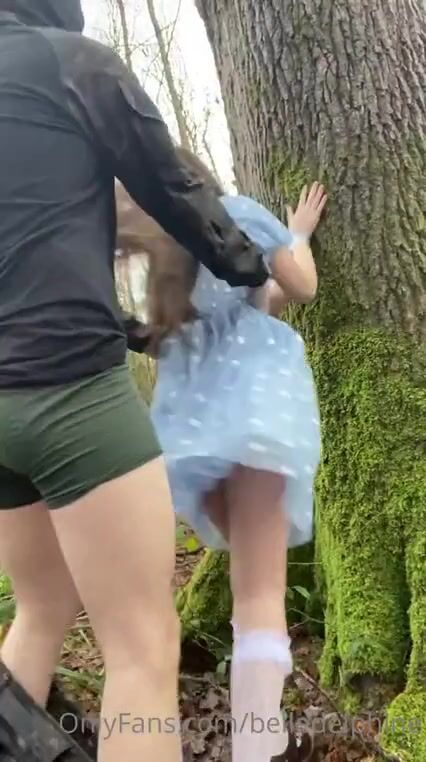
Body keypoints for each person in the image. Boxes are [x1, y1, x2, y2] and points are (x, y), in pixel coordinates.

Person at [0, 3, 270, 762]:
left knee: (41, 609)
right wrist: (247, 266)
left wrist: (131, 326)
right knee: (143, 646)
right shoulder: (66, 59)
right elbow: (169, 180)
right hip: (68, 391)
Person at [116, 149, 327, 762]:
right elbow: (303, 288)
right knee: (260, 595)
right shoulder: (237, 216)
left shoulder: (155, 254)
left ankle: (266, 737)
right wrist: (298, 236)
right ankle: (256, 747)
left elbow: (242, 312)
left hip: (189, 433)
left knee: (247, 590)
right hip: (256, 416)